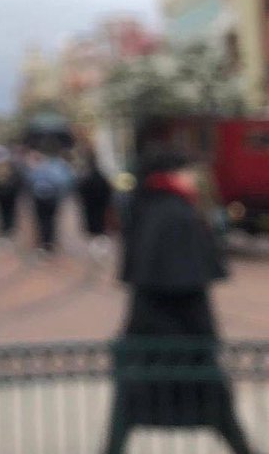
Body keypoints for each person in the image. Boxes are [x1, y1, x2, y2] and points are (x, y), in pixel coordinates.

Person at [103, 149, 257, 454]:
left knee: (131, 408)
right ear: (174, 175)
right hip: (181, 338)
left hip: (149, 335)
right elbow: (185, 279)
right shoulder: (175, 213)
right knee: (215, 406)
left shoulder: (149, 206)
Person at [24, 142, 74, 254]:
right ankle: (47, 242)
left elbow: (30, 180)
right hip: (46, 199)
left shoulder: (47, 165)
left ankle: (47, 242)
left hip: (47, 199)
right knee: (47, 220)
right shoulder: (56, 165)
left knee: (45, 220)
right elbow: (65, 182)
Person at [78, 149, 114, 260]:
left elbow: (81, 191)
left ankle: (97, 245)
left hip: (91, 207)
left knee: (94, 226)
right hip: (99, 206)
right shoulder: (100, 177)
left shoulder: (87, 178)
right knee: (99, 225)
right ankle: (99, 245)